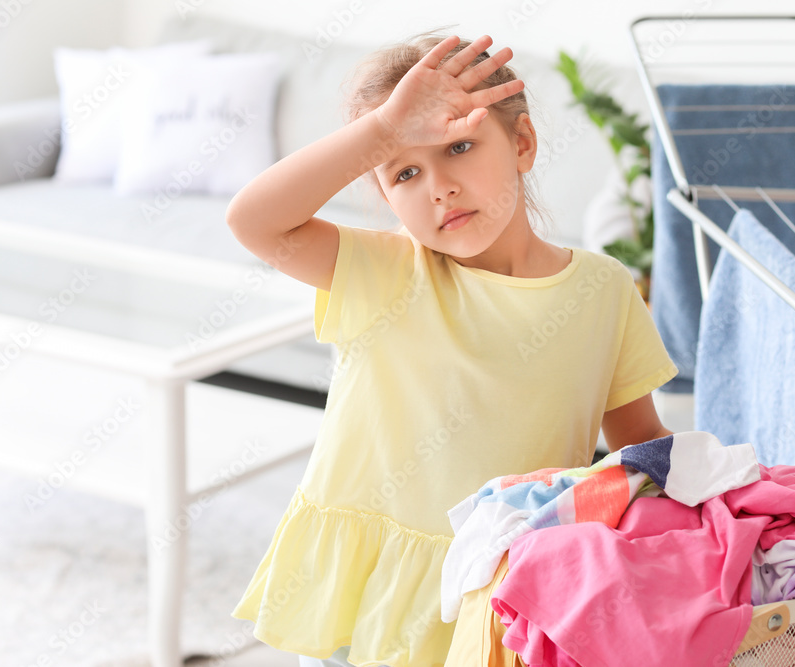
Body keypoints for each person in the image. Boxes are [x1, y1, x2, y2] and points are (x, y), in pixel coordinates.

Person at [227, 33, 677, 667]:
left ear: (522, 144)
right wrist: (382, 128)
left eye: (459, 147)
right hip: (372, 600)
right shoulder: (387, 272)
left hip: (502, 601)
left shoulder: (603, 291)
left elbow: (640, 454)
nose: (438, 187)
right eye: (405, 172)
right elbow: (254, 221)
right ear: (386, 197)